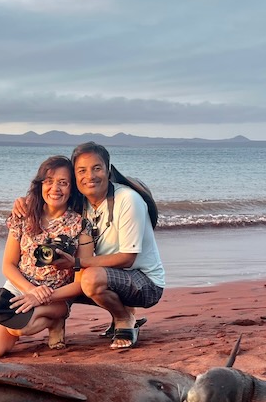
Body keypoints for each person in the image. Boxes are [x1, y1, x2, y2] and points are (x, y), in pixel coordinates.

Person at [15, 142, 164, 349]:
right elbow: (51, 200)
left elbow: (127, 258)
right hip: (112, 278)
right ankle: (67, 320)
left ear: (108, 170)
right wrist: (24, 202)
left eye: (97, 168)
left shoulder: (127, 199)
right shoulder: (82, 202)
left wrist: (77, 262)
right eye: (82, 171)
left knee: (89, 277)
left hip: (145, 282)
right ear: (75, 177)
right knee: (64, 276)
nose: (90, 176)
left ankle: (124, 318)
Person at [0, 155, 94, 358]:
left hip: (56, 295)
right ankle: (41, 317)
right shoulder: (23, 214)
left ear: (72, 188)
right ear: (40, 184)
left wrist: (41, 297)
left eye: (63, 183)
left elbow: (80, 283)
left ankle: (57, 318)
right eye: (49, 181)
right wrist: (31, 292)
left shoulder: (81, 225)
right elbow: (8, 265)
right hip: (20, 287)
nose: (55, 189)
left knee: (20, 329)